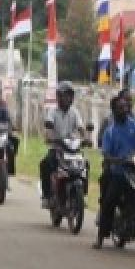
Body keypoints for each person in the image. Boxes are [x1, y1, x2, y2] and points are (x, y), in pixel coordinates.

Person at [95, 91, 135, 249]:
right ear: (114, 110)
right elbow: (106, 154)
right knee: (109, 201)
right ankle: (100, 236)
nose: (125, 110)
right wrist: (116, 160)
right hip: (120, 173)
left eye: (126, 107)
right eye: (120, 108)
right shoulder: (110, 131)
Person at [39, 81, 87, 209]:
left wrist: (86, 138)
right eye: (64, 95)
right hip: (57, 147)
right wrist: (49, 136)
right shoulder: (52, 111)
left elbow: (81, 128)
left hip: (73, 149)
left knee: (85, 164)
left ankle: (83, 195)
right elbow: (48, 127)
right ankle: (47, 196)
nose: (67, 98)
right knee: (45, 164)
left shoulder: (74, 112)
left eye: (69, 95)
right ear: (58, 97)